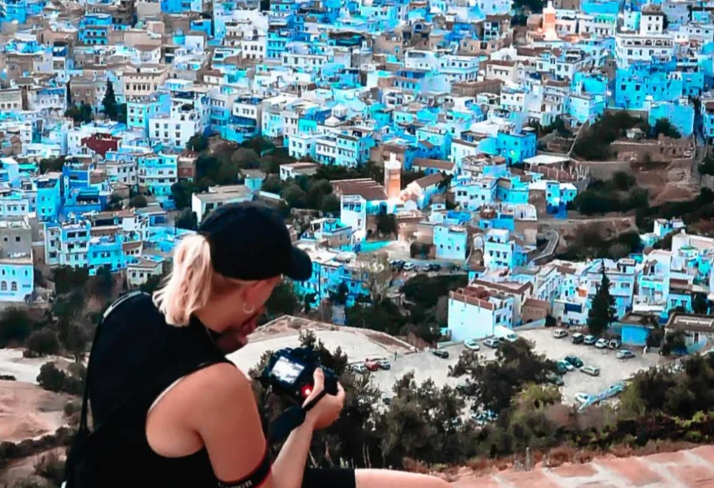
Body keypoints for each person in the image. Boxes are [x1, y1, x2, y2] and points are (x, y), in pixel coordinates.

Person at [86, 202, 448, 488]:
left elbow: (151, 391)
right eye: (272, 289)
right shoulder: (218, 387)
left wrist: (220, 341)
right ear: (254, 291)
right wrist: (308, 419)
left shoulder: (126, 311)